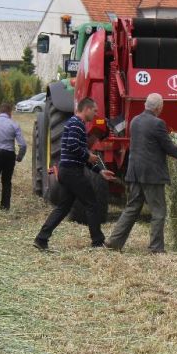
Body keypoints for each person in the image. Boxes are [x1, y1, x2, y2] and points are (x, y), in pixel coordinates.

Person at [105, 93, 177, 254]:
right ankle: (156, 248)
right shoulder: (158, 123)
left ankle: (114, 242)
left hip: (135, 172)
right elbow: (167, 146)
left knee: (132, 208)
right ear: (159, 108)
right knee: (158, 211)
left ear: (146, 105)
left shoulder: (135, 121)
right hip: (152, 174)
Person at [34, 97, 115, 251]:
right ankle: (98, 242)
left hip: (68, 170)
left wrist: (100, 171)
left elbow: (79, 155)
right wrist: (88, 155)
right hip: (72, 172)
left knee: (63, 207)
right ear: (87, 109)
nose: (96, 114)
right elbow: (73, 147)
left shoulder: (76, 124)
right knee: (92, 203)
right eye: (95, 111)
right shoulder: (76, 124)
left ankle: (41, 239)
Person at [0, 102, 27, 210]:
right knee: (7, 181)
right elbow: (23, 145)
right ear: (10, 112)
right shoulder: (14, 124)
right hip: (9, 155)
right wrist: (19, 157)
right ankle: (5, 206)